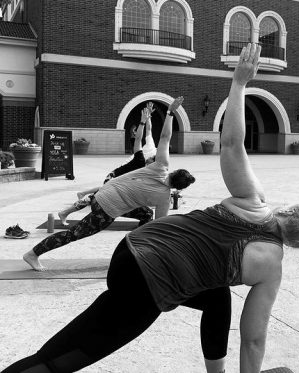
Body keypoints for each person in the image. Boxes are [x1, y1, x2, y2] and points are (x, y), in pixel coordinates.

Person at [3, 43, 299, 373]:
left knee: (216, 297)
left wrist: (239, 83)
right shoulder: (271, 269)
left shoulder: (251, 198)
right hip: (147, 281)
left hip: (133, 250)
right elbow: (254, 341)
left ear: (291, 210)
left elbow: (231, 142)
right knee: (60, 359)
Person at [22, 96, 196, 272]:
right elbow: (159, 227)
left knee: (145, 214)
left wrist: (170, 111)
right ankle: (33, 254)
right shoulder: (164, 199)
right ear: (177, 189)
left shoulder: (160, 166)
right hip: (106, 208)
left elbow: (165, 137)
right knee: (73, 235)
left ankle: (134, 244)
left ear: (174, 172)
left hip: (103, 193)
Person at [58, 102, 157, 226]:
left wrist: (148, 118)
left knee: (141, 210)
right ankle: (66, 212)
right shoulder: (140, 159)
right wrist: (143, 121)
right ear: (150, 160)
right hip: (113, 178)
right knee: (96, 197)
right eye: (152, 164)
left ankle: (78, 203)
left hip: (121, 185)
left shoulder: (150, 171)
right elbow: (139, 138)